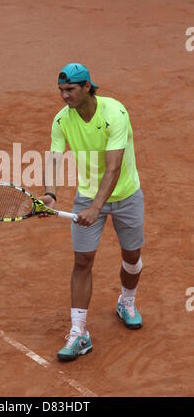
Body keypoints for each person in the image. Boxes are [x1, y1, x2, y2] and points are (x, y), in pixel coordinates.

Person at [41, 63, 145, 361]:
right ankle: (79, 332)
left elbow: (113, 168)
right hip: (87, 196)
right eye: (61, 90)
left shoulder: (115, 114)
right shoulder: (62, 121)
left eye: (70, 89)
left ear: (87, 86)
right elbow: (54, 159)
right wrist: (50, 194)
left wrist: (96, 207)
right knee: (82, 261)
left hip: (125, 195)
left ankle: (126, 302)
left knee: (132, 256)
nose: (64, 96)